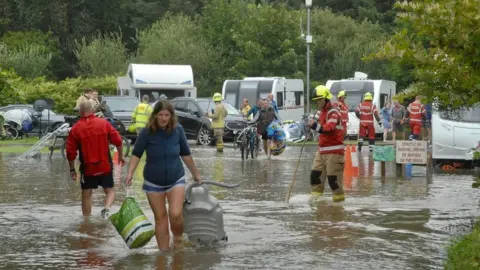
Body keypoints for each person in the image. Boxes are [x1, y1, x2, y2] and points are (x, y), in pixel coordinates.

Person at [125, 100, 202, 252]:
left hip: (176, 178)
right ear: (155, 115)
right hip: (153, 182)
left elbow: (185, 154)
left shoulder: (178, 129)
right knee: (160, 219)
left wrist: (196, 174)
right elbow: (136, 154)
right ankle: (164, 254)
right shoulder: (147, 132)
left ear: (171, 116)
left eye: (167, 115)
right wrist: (130, 173)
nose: (163, 118)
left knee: (175, 214)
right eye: (160, 114)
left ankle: (178, 241)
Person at [66, 100, 125, 219]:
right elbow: (118, 141)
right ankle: (107, 209)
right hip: (105, 166)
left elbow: (70, 152)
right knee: (110, 191)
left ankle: (86, 220)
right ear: (93, 110)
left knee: (86, 194)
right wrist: (121, 156)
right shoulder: (104, 124)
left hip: (88, 168)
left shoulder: (76, 128)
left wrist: (72, 169)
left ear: (80, 111)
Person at [307, 85, 345, 202]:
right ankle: (316, 204)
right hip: (322, 151)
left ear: (325, 98)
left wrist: (314, 125)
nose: (317, 103)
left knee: (334, 182)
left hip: (334, 152)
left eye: (319, 100)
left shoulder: (334, 112)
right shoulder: (322, 112)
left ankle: (338, 210)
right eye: (316, 101)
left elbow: (329, 128)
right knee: (315, 177)